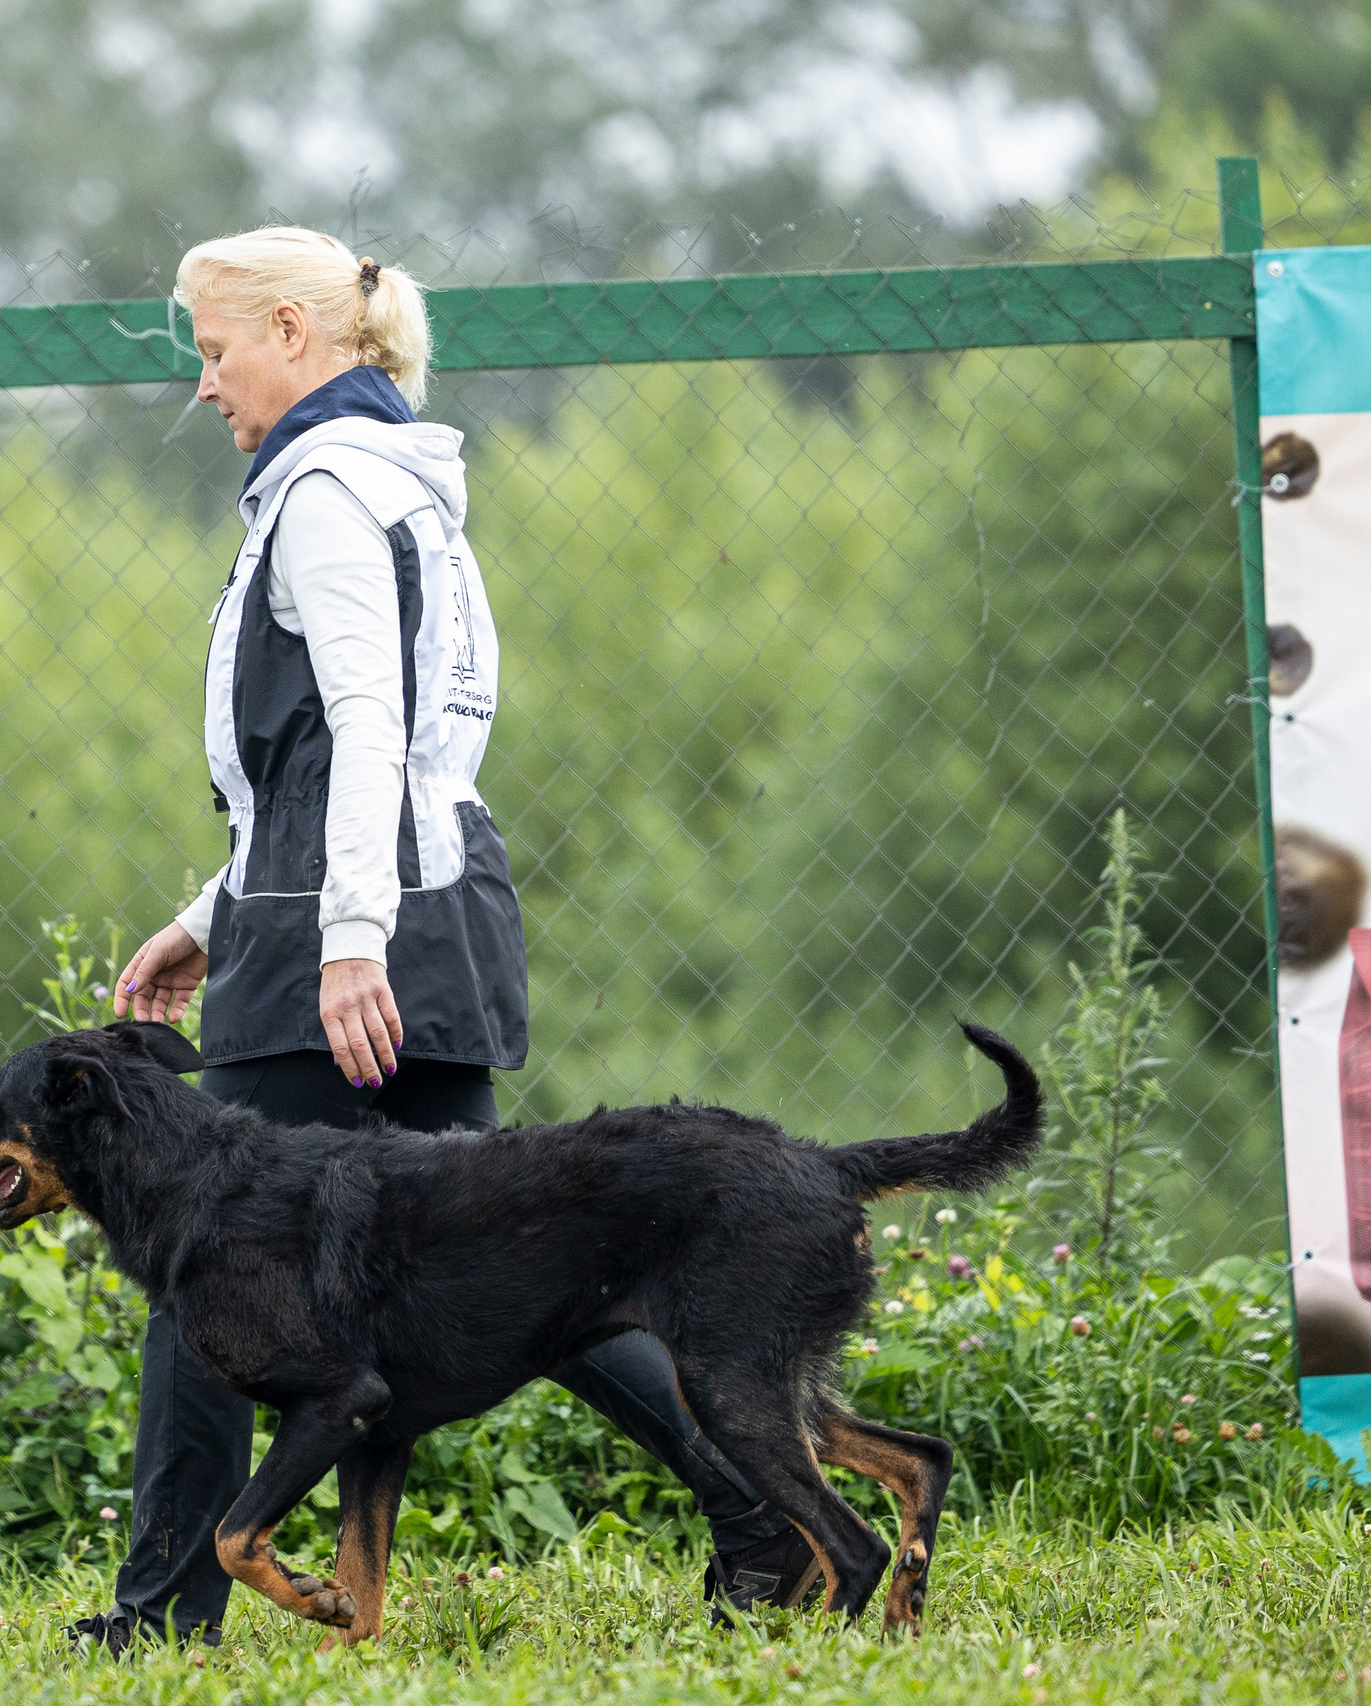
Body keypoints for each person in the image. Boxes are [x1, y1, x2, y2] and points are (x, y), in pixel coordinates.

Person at [67, 225, 814, 1653]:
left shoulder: (326, 493)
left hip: (346, 933)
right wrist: (207, 916)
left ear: (293, 331)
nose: (206, 386)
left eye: (215, 353)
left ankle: (163, 1608)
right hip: (432, 902)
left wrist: (345, 939)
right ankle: (759, 1515)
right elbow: (387, 763)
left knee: (201, 1258)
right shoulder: (408, 487)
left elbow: (365, 727)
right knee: (548, 1267)